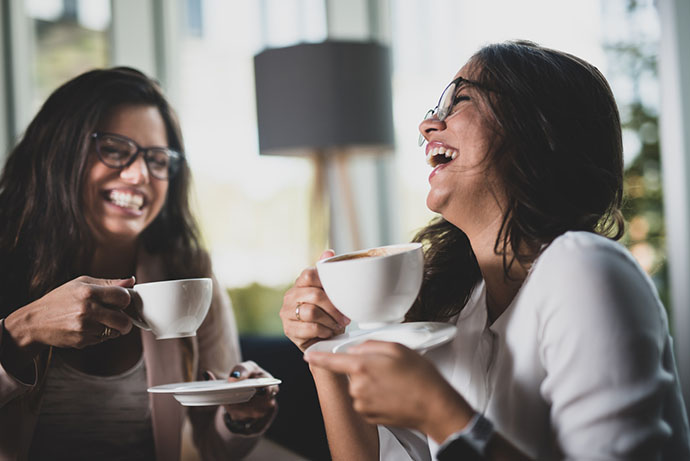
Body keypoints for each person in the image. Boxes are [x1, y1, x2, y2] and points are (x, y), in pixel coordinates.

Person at [280, 40, 690, 460]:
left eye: (460, 101)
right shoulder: (463, 309)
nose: (427, 127)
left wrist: (439, 412)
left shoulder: (584, 269)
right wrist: (323, 352)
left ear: (537, 127)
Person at [0, 67, 277, 460]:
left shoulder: (188, 272)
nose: (139, 175)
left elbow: (214, 447)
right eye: (113, 149)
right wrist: (21, 333)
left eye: (157, 158)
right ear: (57, 153)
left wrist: (242, 417)